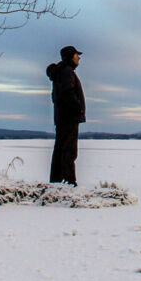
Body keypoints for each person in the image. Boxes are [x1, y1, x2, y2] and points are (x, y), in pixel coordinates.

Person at [46, 45, 85, 185]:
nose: (79, 57)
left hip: (62, 117)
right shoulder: (67, 72)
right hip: (69, 118)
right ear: (70, 57)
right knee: (69, 151)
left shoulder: (61, 73)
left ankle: (57, 180)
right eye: (76, 55)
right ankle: (68, 181)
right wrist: (78, 108)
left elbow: (55, 97)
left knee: (61, 149)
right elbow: (67, 93)